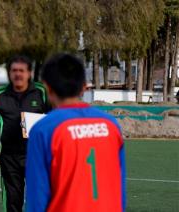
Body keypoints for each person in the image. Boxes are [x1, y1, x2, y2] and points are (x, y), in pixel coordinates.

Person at [26, 53, 126, 212]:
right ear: (84, 87)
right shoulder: (111, 125)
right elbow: (120, 187)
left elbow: (37, 197)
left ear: (47, 87)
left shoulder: (44, 129)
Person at [0, 55, 50, 212]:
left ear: (29, 73)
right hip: (9, 158)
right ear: (9, 73)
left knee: (40, 200)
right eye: (14, 70)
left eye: (21, 70)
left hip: (36, 156)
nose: (18, 74)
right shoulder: (0, 95)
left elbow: (53, 119)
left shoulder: (41, 92)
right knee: (13, 201)